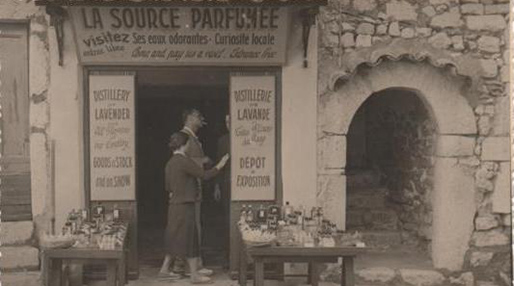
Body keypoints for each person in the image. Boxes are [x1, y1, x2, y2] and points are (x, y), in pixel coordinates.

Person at [160, 132, 229, 284]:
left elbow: (168, 187)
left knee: (174, 237)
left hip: (174, 206)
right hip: (186, 205)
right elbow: (204, 175)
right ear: (186, 144)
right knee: (190, 239)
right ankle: (193, 275)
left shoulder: (170, 162)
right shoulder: (184, 161)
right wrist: (220, 165)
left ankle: (164, 270)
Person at [179, 108, 212, 275]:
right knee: (191, 227)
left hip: (194, 189)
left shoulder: (192, 137)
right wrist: (203, 160)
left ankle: (196, 264)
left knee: (195, 226)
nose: (201, 120)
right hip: (189, 190)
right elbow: (181, 162)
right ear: (190, 118)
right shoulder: (184, 137)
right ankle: (189, 267)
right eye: (199, 117)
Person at [214, 114, 230, 268]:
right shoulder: (222, 141)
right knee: (227, 220)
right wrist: (217, 186)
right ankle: (229, 256)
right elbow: (219, 164)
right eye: (226, 121)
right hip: (226, 185)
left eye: (231, 120)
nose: (229, 124)